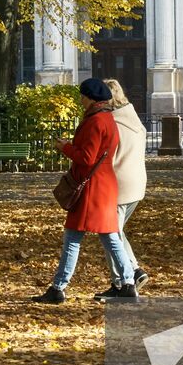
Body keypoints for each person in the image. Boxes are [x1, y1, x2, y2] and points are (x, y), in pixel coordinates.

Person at [31, 78, 137, 304]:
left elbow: (87, 158)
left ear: (90, 98)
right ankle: (128, 283)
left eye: (82, 96)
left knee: (73, 237)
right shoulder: (109, 119)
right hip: (105, 185)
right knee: (110, 237)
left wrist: (65, 147)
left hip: (91, 187)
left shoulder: (95, 121)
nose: (80, 100)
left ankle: (58, 287)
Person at [94, 79, 150, 300]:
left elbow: (102, 156)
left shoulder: (110, 123)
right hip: (136, 184)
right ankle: (134, 270)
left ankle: (121, 283)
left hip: (117, 185)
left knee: (110, 235)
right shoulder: (133, 119)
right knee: (116, 232)